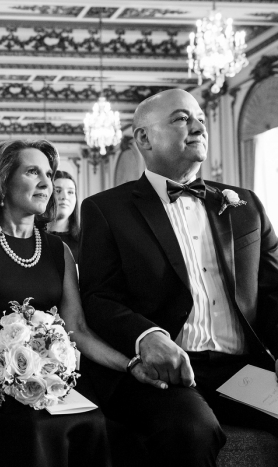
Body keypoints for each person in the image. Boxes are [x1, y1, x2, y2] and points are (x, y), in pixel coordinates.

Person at [78, 89, 278, 467]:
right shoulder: (106, 210)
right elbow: (97, 297)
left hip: (242, 370)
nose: (199, 126)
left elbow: (272, 293)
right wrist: (146, 336)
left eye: (200, 117)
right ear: (143, 138)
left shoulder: (245, 205)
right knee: (191, 432)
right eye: (182, 118)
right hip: (163, 376)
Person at [0, 139, 165, 467]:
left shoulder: (60, 251)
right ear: (3, 181)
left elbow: (79, 331)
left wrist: (131, 364)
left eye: (49, 173)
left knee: (91, 419)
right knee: (32, 426)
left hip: (48, 379)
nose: (47, 183)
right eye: (33, 172)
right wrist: (8, 375)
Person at [47, 170, 80, 262]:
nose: (64, 197)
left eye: (70, 192)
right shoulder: (32, 237)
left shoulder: (85, 240)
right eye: (58, 191)